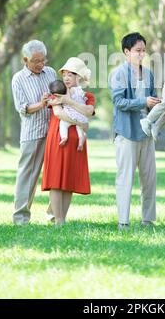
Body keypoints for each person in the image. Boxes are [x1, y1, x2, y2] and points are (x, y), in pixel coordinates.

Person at [109, 32, 161, 230]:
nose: (141, 54)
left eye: (143, 51)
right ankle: (123, 221)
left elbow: (152, 98)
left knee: (149, 178)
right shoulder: (118, 74)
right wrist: (143, 101)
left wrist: (156, 104)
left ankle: (148, 220)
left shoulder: (148, 74)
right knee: (125, 178)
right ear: (126, 52)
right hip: (127, 133)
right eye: (137, 51)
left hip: (146, 133)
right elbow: (119, 101)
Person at [41, 57, 95, 226]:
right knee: (56, 180)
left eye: (71, 74)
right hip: (58, 138)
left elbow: (88, 110)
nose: (66, 77)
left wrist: (69, 101)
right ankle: (58, 220)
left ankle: (63, 218)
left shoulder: (87, 96)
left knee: (68, 181)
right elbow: (58, 113)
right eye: (64, 74)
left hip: (76, 143)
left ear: (79, 77)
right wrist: (81, 123)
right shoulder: (55, 93)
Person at [11, 39, 57, 225]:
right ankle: (21, 218)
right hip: (33, 134)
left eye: (43, 60)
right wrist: (42, 103)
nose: (40, 64)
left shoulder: (51, 73)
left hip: (54, 132)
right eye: (36, 61)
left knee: (55, 175)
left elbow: (59, 94)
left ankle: (55, 215)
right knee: (27, 176)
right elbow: (22, 108)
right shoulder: (18, 79)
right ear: (25, 60)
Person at [49, 73, 90, 151]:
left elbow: (56, 106)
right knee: (80, 129)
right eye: (64, 76)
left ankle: (64, 137)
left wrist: (50, 102)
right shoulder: (79, 91)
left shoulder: (61, 95)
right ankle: (81, 140)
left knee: (63, 125)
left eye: (69, 75)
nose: (66, 78)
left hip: (69, 115)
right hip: (80, 116)